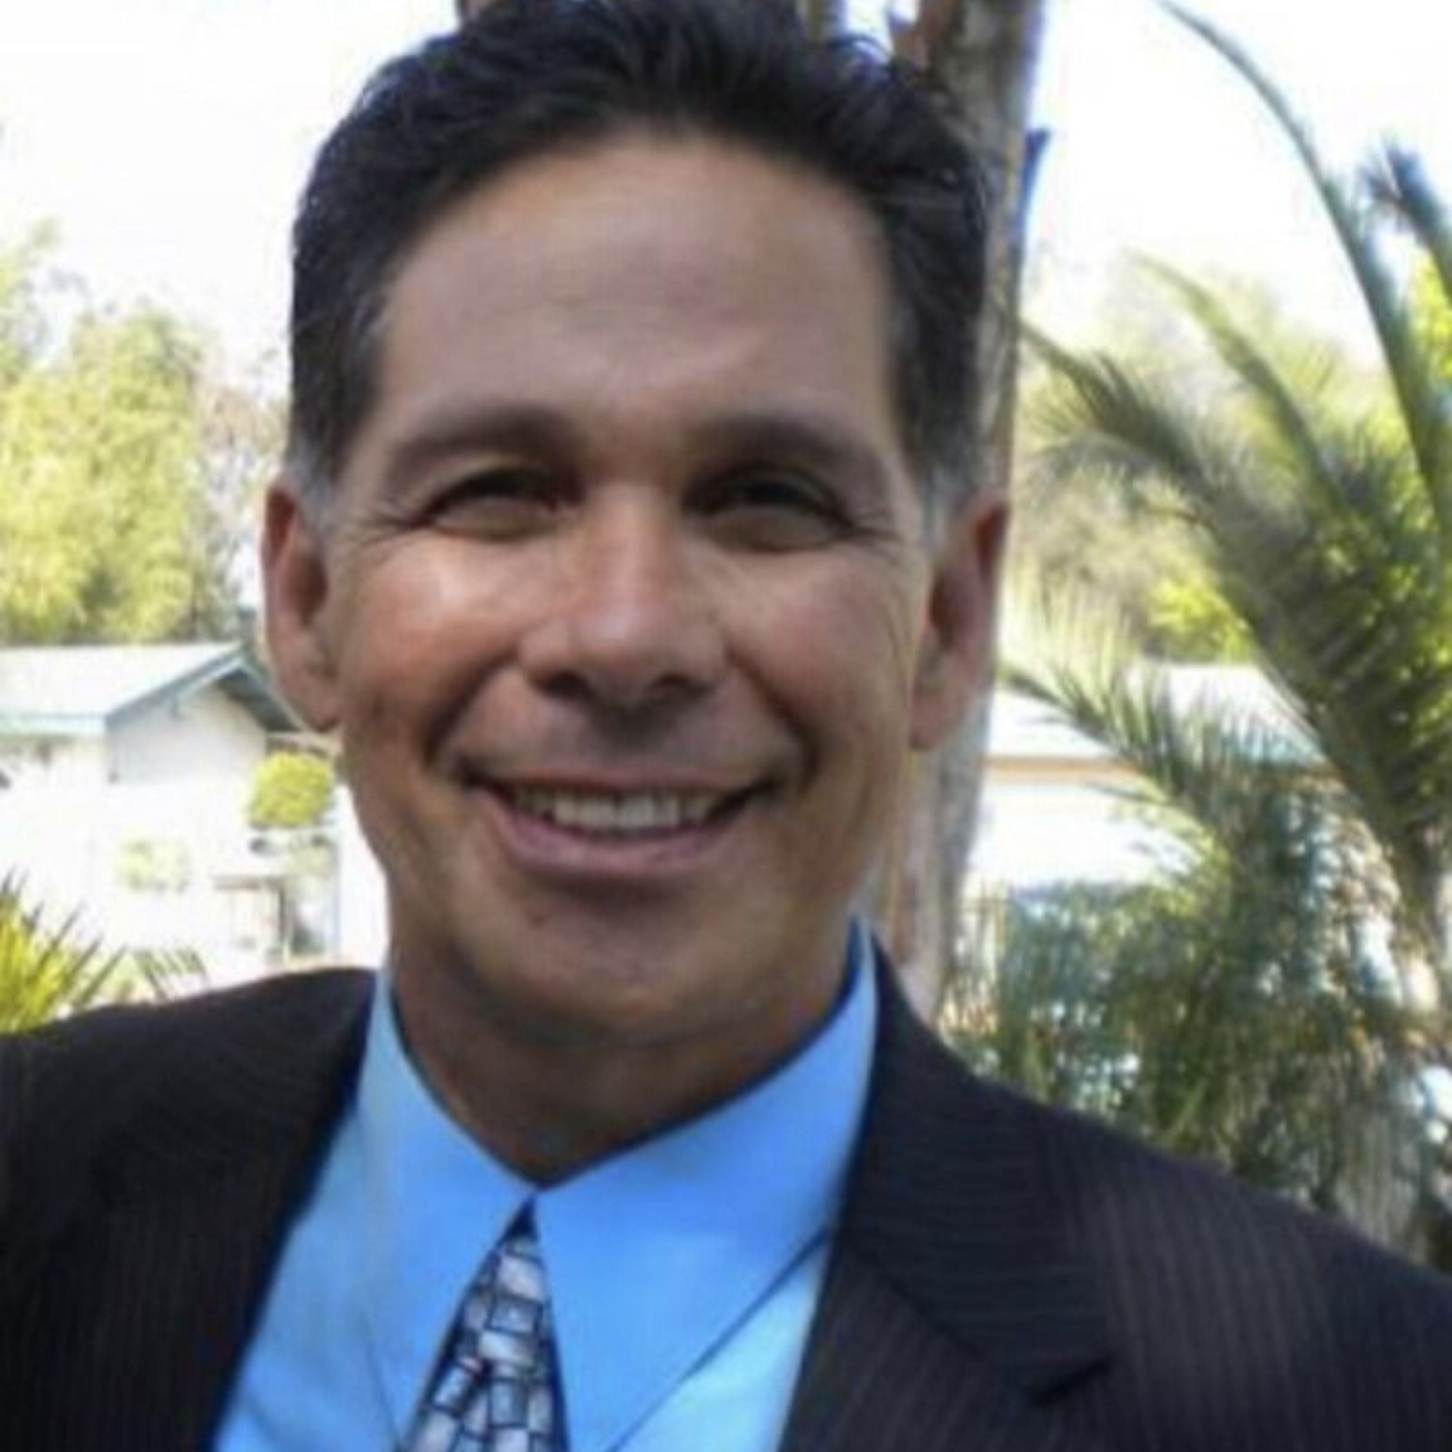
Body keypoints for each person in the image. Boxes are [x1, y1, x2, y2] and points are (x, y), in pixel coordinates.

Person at [2, 1, 1450, 1448]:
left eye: (768, 499)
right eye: (498, 489)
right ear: (308, 597)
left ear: (945, 619)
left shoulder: (1362, 1400)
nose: (627, 637)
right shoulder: (36, 1189)